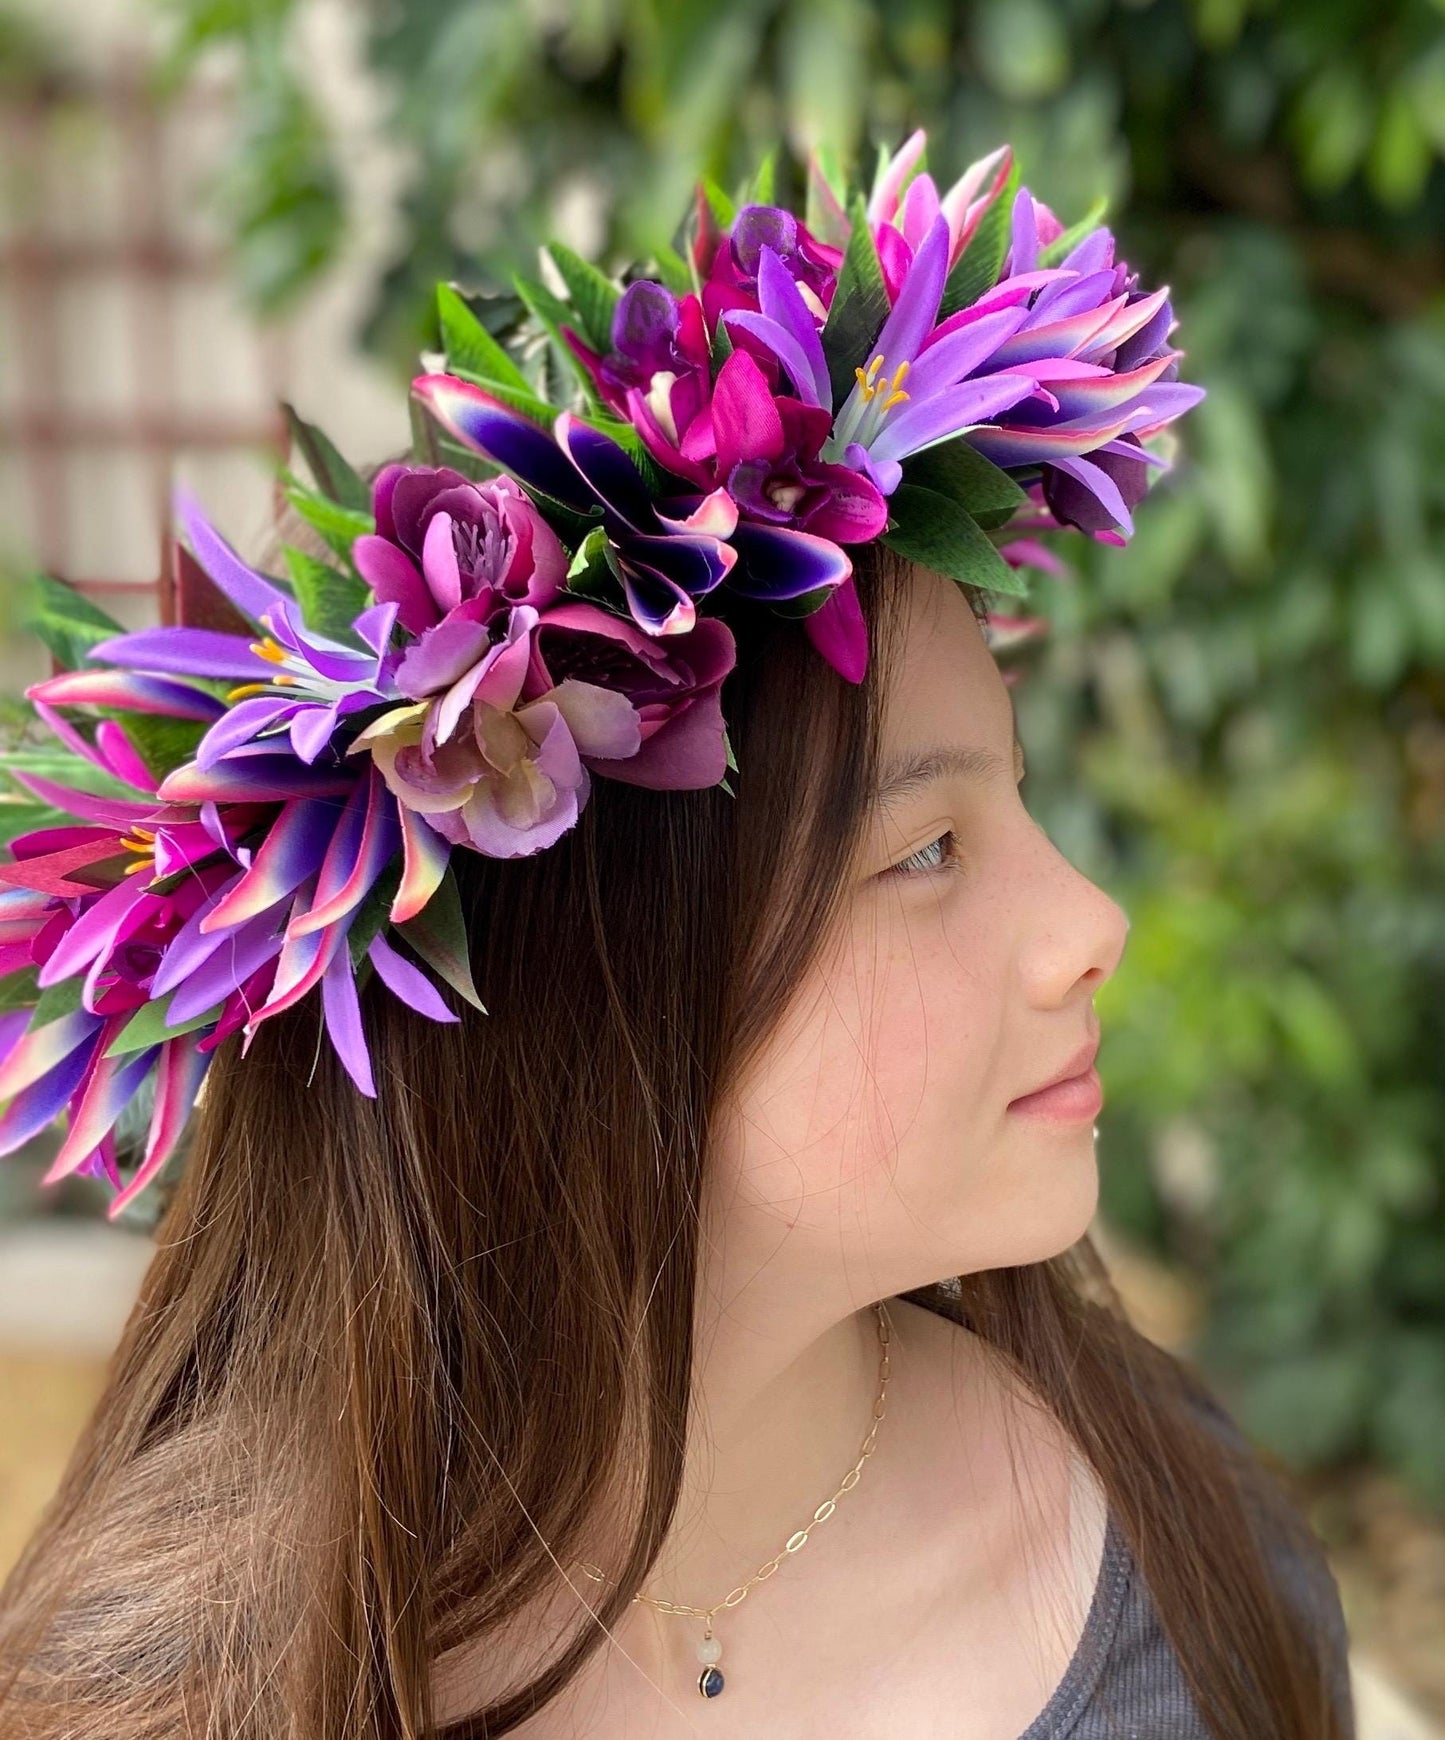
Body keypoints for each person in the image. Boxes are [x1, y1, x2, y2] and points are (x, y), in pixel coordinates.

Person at [0, 133, 1353, 1738]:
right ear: (598, 996)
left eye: (1016, 804)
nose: (1089, 925)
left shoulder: (1196, 1576)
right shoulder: (189, 1694)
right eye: (927, 850)